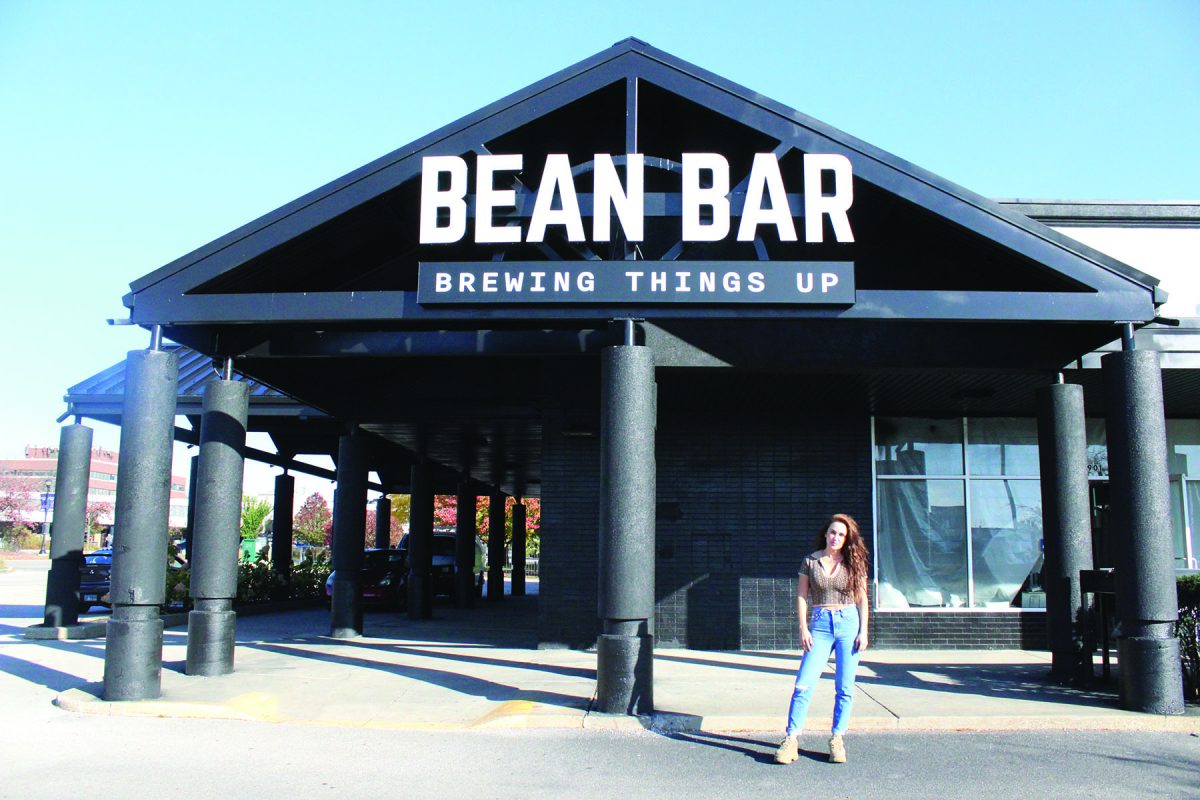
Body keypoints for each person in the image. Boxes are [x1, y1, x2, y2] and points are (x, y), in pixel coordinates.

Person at [774, 513, 869, 765]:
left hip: (849, 623)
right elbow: (803, 596)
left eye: (841, 534)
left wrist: (864, 631)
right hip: (820, 624)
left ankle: (837, 738)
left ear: (846, 538)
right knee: (803, 683)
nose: (836, 537)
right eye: (833, 532)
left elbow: (862, 599)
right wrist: (803, 629)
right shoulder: (810, 561)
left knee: (845, 687)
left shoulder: (853, 562)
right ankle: (791, 739)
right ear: (825, 534)